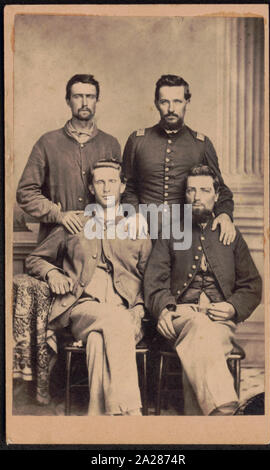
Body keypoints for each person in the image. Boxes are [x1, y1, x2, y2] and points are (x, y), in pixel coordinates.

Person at [25, 160, 152, 416]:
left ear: (122, 186)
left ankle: (99, 419)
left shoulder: (136, 227)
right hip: (82, 307)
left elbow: (149, 276)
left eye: (112, 181)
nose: (107, 188)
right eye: (100, 182)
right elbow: (34, 259)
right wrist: (51, 272)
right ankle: (132, 413)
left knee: (97, 340)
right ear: (91, 189)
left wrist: (139, 308)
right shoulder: (75, 223)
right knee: (114, 321)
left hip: (126, 311)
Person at [144, 164, 262, 416]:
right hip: (181, 317)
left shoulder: (231, 234)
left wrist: (232, 307)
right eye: (191, 191)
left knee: (204, 342)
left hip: (220, 322)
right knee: (198, 327)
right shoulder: (171, 232)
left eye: (204, 190)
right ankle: (226, 410)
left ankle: (202, 425)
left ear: (217, 196)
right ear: (185, 195)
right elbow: (154, 281)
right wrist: (165, 309)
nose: (197, 196)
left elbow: (252, 285)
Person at [122, 74, 235, 245]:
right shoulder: (137, 140)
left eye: (177, 101)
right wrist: (133, 214)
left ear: (187, 102)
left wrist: (224, 215)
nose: (171, 109)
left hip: (187, 235)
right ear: (156, 104)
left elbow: (222, 190)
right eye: (164, 102)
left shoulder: (201, 144)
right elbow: (127, 187)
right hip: (143, 233)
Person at [17, 74, 121, 243]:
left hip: (100, 242)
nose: (85, 103)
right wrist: (57, 215)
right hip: (56, 242)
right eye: (78, 96)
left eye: (90, 97)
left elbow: (119, 194)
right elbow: (25, 192)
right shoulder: (47, 142)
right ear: (68, 101)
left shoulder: (110, 144)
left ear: (97, 101)